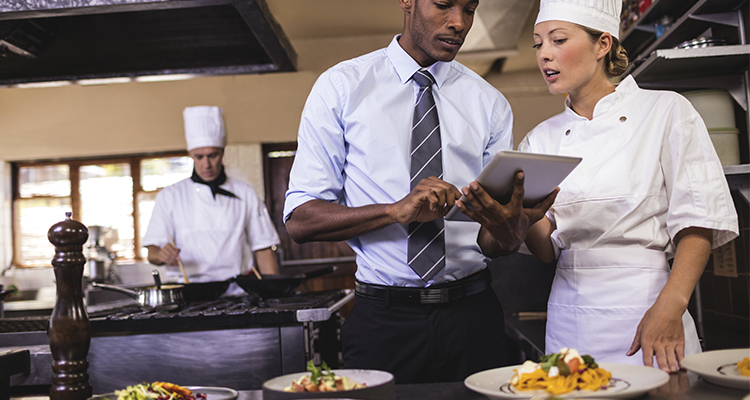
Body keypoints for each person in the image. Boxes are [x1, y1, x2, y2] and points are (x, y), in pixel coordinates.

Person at [283, 0, 555, 384]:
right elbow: (300, 220)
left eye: (470, 9)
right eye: (443, 4)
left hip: (473, 317)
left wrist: (512, 232)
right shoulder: (341, 87)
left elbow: (493, 241)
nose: (459, 22)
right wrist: (396, 211)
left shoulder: (488, 103)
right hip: (383, 323)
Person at [520, 0, 739, 373]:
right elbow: (545, 250)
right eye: (538, 44)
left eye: (558, 40)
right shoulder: (539, 140)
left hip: (651, 306)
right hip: (570, 316)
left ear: (603, 44)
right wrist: (516, 215)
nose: (545, 55)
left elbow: (698, 219)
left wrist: (671, 307)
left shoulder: (666, 111)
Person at [143, 106, 280, 287]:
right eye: (199, 157)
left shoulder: (246, 192)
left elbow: (263, 247)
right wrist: (161, 255)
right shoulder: (170, 196)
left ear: (222, 153)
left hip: (237, 290)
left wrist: (275, 292)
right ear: (190, 155)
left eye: (212, 156)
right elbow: (152, 252)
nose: (206, 164)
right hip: (188, 290)